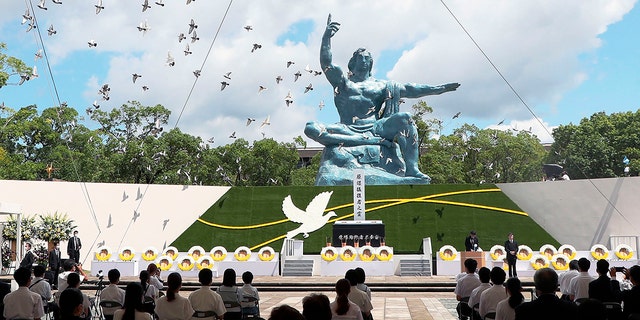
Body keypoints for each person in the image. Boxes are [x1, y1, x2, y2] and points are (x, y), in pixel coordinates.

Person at [304, 14, 460, 183]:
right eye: (360, 58)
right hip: (347, 128)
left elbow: (410, 89)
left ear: (371, 63)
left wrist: (439, 89)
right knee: (311, 127)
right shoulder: (343, 83)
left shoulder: (381, 86)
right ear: (352, 62)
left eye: (367, 58)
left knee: (405, 119)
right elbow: (326, 64)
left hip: (376, 127)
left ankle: (412, 169)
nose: (364, 61)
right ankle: (359, 140)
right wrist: (326, 37)